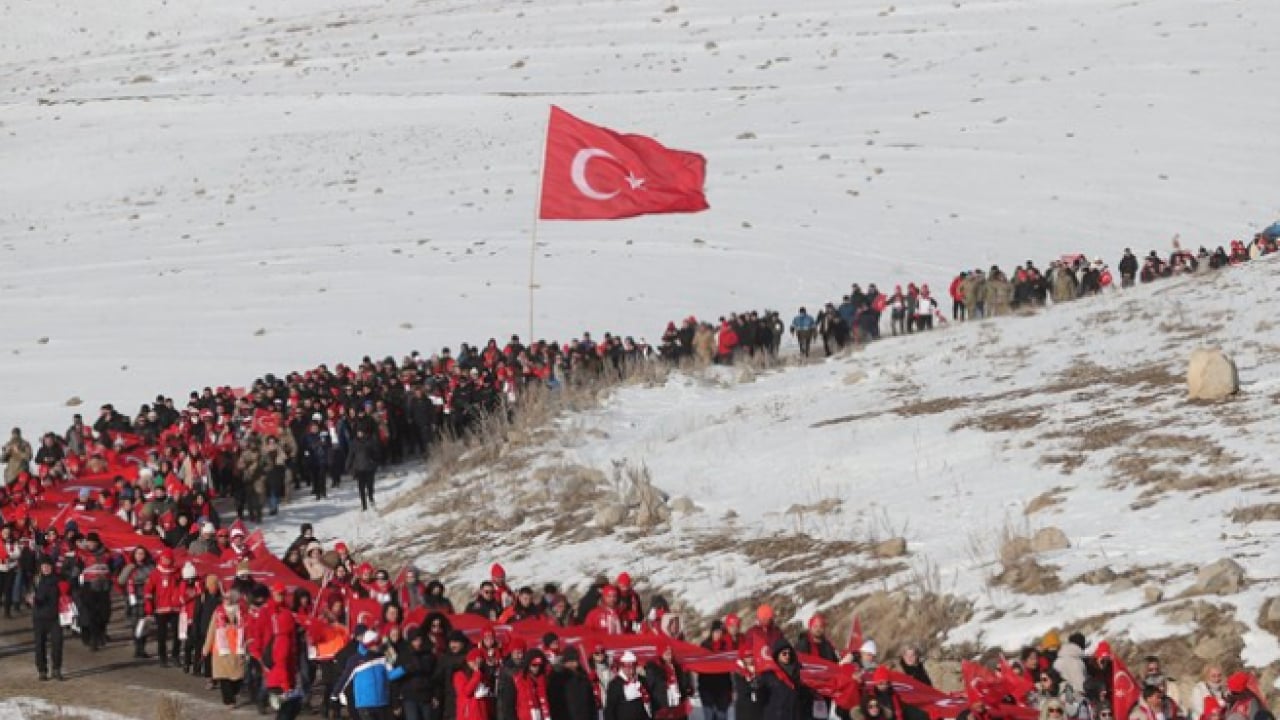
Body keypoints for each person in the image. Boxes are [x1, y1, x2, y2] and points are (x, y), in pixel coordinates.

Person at [333, 629, 405, 720]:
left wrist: (404, 669)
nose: (379, 646)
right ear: (369, 645)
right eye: (376, 644)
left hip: (382, 702)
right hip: (365, 704)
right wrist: (335, 696)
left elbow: (390, 675)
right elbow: (345, 678)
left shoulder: (383, 657)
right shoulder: (355, 660)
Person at [204, 587, 249, 707]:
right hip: (221, 650)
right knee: (224, 678)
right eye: (224, 598)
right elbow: (211, 630)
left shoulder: (242, 613)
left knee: (238, 678)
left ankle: (233, 693)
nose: (225, 600)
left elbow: (248, 629)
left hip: (237, 650)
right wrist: (206, 648)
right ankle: (229, 700)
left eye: (228, 598)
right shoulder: (218, 612)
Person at [30, 554, 65, 681]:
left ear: (52, 567)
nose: (45, 568)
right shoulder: (36, 580)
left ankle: (56, 669)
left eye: (47, 566)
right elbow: (30, 594)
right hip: (39, 617)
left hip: (55, 617)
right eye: (43, 566)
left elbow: (67, 593)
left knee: (57, 644)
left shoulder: (59, 579)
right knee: (40, 645)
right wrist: (30, 599)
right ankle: (42, 670)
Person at [757, 640, 808, 720]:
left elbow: (802, 696)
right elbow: (761, 698)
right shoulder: (769, 674)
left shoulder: (798, 671)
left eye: (789, 653)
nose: (787, 656)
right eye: (784, 653)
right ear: (777, 655)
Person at [549, 647, 597, 720]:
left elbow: (591, 702)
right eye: (569, 661)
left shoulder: (584, 677)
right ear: (564, 662)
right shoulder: (557, 679)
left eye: (574, 661)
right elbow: (555, 705)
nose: (572, 664)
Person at [399, 628, 437, 720]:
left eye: (420, 639)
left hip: (426, 695)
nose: (418, 643)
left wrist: (435, 695)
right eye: (415, 640)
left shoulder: (428, 655)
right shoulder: (404, 655)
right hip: (410, 696)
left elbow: (434, 676)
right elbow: (397, 677)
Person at [698, 621, 734, 720]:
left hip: (722, 690)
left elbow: (728, 671)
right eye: (717, 631)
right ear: (712, 632)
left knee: (722, 717)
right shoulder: (704, 645)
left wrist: (730, 689)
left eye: (721, 632)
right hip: (707, 690)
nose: (719, 634)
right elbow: (699, 667)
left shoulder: (725, 647)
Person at [605, 652, 649, 720]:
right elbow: (610, 709)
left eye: (633, 666)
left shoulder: (641, 680)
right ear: (622, 667)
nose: (631, 670)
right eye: (627, 667)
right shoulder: (615, 684)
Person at [347, 426, 381, 512]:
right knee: (361, 488)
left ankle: (370, 496)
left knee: (370, 485)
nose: (360, 434)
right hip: (359, 468)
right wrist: (347, 465)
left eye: (361, 432)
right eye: (358, 432)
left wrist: (375, 462)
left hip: (369, 467)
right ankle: (364, 504)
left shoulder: (370, 441)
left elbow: (376, 453)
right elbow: (350, 455)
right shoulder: (354, 443)